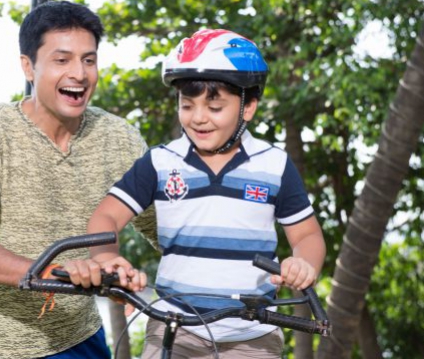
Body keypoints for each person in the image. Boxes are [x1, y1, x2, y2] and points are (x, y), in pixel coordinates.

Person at [67, 29, 326, 358]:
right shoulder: (161, 162)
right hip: (174, 326)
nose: (199, 118)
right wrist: (106, 260)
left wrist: (304, 263)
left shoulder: (274, 165)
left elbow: (307, 235)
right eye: (187, 105)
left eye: (214, 107)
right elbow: (106, 215)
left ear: (248, 107)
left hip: (251, 333)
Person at [0, 0, 150, 359]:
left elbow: (166, 225)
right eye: (62, 60)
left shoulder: (119, 138)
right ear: (29, 67)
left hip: (79, 336)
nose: (79, 73)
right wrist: (51, 272)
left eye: (89, 60)